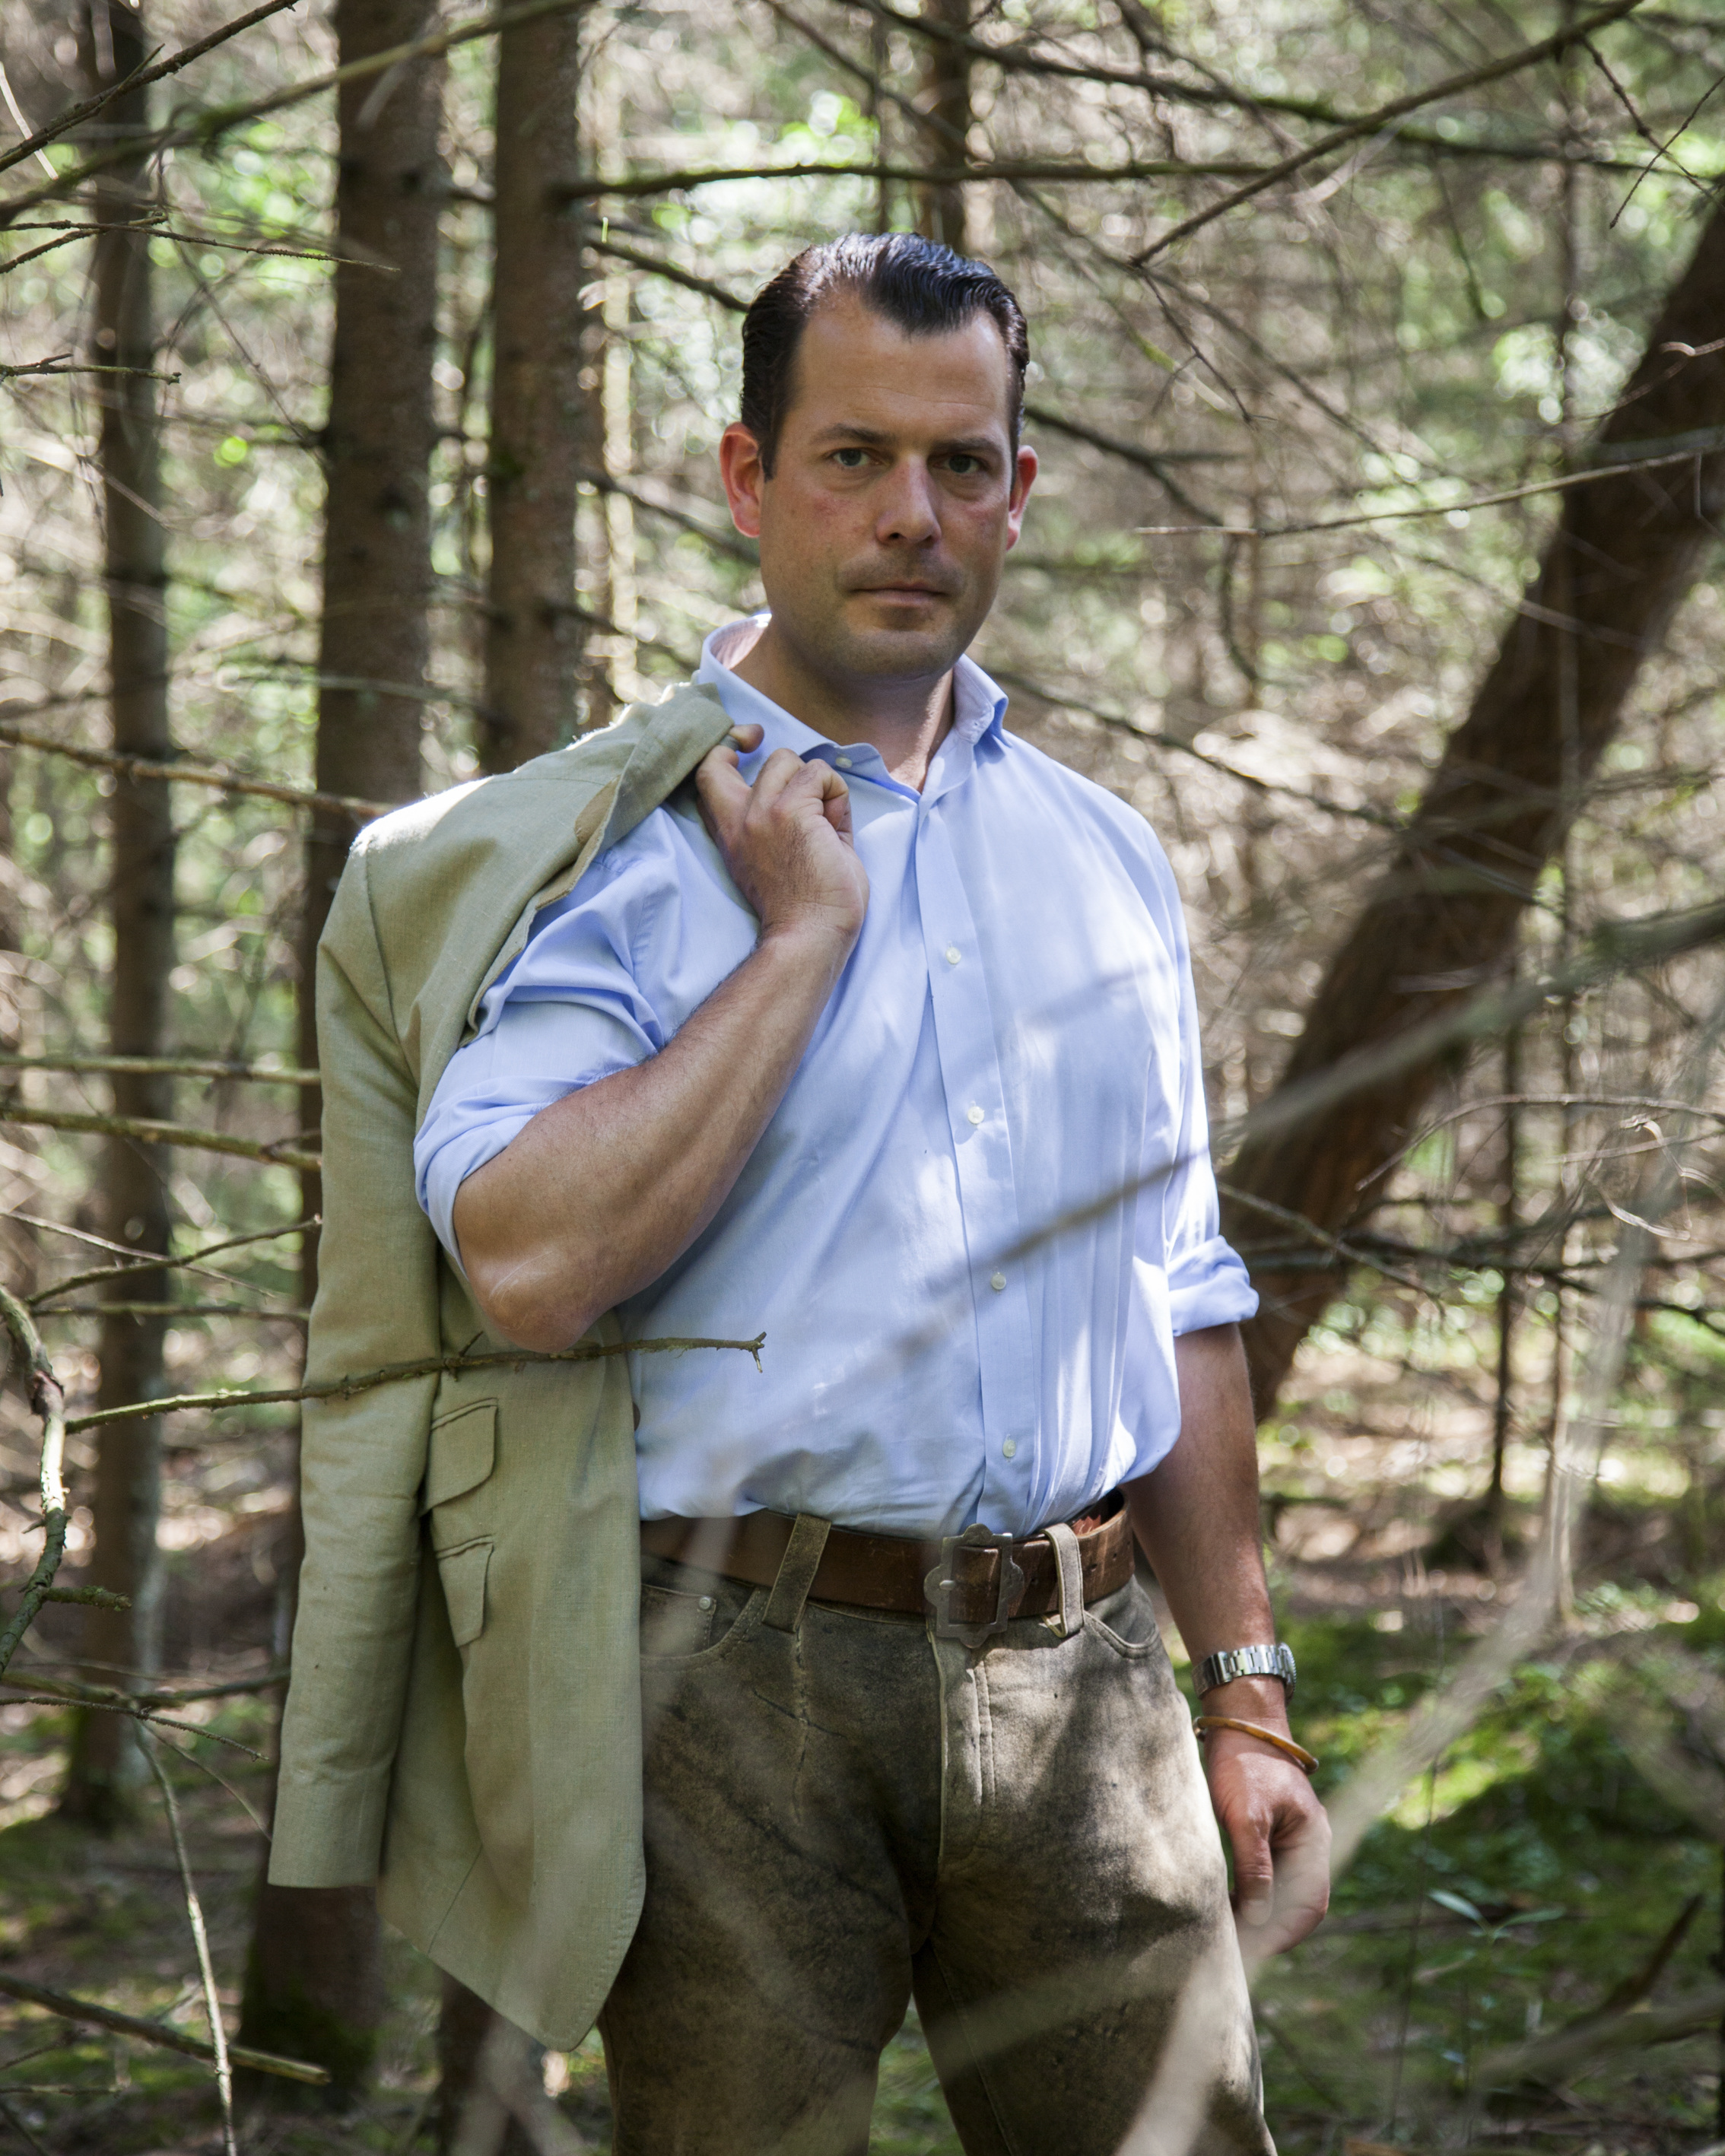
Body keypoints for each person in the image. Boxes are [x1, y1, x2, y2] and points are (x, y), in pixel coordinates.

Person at [274, 233, 1328, 2156]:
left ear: (1019, 486)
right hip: (726, 1690)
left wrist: (1243, 1688)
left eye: (961, 462)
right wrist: (798, 942)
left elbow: (1178, 1289)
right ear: (750, 478)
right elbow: (522, 1259)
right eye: (854, 457)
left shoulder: (1105, 858)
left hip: (1089, 1678)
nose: (912, 513)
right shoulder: (611, 852)